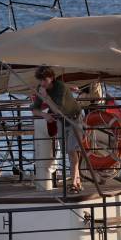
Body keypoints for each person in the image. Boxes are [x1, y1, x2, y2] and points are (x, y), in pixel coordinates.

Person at [32, 65, 84, 193]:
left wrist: (46, 98)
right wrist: (44, 114)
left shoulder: (60, 87)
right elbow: (34, 109)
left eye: (45, 80)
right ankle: (77, 180)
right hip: (61, 122)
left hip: (74, 119)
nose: (42, 83)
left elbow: (58, 110)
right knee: (69, 151)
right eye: (40, 80)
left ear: (52, 78)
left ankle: (74, 184)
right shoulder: (41, 89)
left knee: (72, 151)